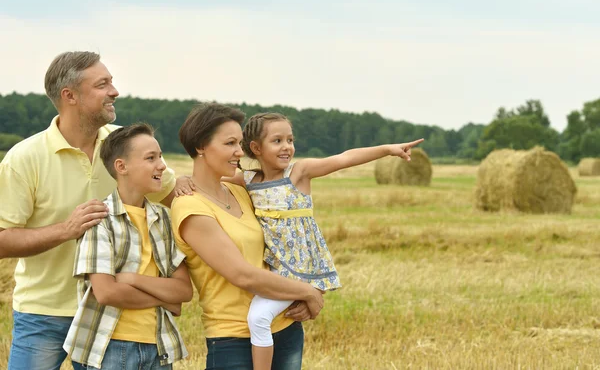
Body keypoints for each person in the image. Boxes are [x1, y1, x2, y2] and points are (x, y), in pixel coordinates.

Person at [0, 51, 192, 370]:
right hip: (44, 313)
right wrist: (66, 229)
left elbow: (178, 193)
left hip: (115, 314)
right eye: (103, 84)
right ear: (69, 95)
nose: (114, 91)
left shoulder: (124, 148)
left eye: (111, 82)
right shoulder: (24, 159)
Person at [225, 112, 423, 370]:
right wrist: (183, 181)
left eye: (290, 139)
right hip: (273, 269)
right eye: (277, 141)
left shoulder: (299, 172)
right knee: (259, 317)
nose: (287, 147)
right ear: (256, 148)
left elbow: (344, 159)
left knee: (258, 317)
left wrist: (388, 149)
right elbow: (211, 181)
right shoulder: (249, 180)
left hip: (299, 270)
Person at [170, 103, 325, 370]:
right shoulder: (190, 207)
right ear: (200, 147)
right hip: (234, 339)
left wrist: (306, 291)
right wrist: (309, 292)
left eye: (240, 143)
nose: (240, 152)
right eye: (230, 143)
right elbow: (242, 275)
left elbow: (285, 242)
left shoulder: (241, 192)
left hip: (284, 326)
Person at [63, 123, 192, 369]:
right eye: (150, 158)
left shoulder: (164, 219)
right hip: (110, 347)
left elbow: (184, 292)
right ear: (121, 167)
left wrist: (131, 279)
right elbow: (107, 293)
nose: (162, 165)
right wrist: (164, 299)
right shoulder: (99, 219)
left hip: (159, 346)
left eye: (161, 156)